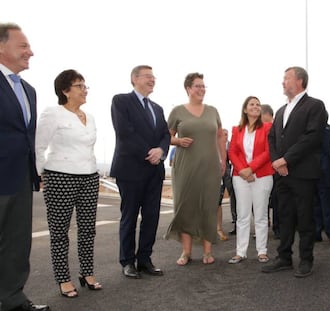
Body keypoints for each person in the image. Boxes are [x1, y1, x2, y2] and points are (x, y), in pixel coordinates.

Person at [36, 69, 102, 298]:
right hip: (60, 177)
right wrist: (41, 174)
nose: (85, 90)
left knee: (87, 229)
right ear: (65, 90)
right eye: (79, 85)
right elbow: (39, 146)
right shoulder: (52, 113)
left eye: (85, 85)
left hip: (90, 175)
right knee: (59, 231)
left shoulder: (90, 117)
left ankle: (87, 272)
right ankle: (63, 278)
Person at [0, 23, 50, 311]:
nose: (30, 52)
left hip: (19, 177)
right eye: (23, 46)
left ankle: (13, 299)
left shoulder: (28, 90)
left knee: (18, 243)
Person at [262, 66, 327, 278]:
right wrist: (275, 162)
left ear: (299, 81)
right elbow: (272, 138)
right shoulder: (281, 111)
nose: (283, 82)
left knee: (305, 217)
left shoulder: (315, 106)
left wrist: (286, 159)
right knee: (285, 215)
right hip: (282, 174)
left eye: (286, 78)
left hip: (303, 173)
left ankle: (306, 259)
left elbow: (312, 137)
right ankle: (284, 257)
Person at [110, 65, 170, 279]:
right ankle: (127, 261)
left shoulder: (158, 108)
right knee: (129, 216)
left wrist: (161, 150)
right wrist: (150, 152)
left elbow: (165, 134)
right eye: (147, 76)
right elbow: (125, 132)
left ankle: (145, 259)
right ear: (134, 79)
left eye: (154, 76)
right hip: (131, 169)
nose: (152, 79)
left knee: (151, 217)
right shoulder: (121, 101)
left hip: (155, 171)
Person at [165, 72, 226, 266]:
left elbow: (219, 137)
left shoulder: (213, 111)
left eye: (203, 86)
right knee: (186, 207)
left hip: (210, 167)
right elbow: (165, 137)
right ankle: (186, 252)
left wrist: (223, 160)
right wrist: (178, 141)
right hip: (185, 167)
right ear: (188, 89)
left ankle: (208, 252)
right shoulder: (177, 111)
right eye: (197, 86)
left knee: (208, 207)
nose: (201, 89)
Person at [227, 96, 274, 264]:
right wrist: (243, 170)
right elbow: (232, 152)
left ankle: (262, 251)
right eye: (252, 104)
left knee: (261, 215)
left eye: (258, 104)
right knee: (242, 215)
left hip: (262, 176)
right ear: (245, 109)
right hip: (240, 178)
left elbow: (268, 152)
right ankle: (241, 252)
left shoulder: (268, 128)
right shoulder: (236, 129)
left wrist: (251, 168)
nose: (256, 106)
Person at [314, 121, 330, 244]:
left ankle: (317, 232)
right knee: (328, 205)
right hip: (327, 171)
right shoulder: (328, 130)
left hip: (314, 171)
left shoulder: (309, 129)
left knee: (316, 204)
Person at [260, 104, 280, 238]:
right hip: (262, 170)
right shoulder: (258, 130)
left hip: (276, 169)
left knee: (278, 201)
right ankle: (263, 227)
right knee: (262, 201)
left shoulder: (277, 128)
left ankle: (278, 227)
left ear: (266, 115)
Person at [217, 129, 235, 241]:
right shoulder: (213, 146)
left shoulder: (230, 145)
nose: (225, 136)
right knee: (217, 199)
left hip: (228, 172)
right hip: (215, 173)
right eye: (223, 134)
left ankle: (235, 220)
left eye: (226, 134)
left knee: (233, 195)